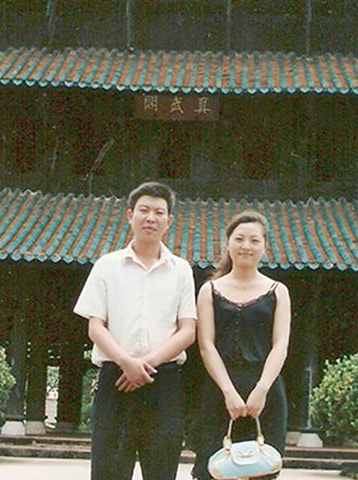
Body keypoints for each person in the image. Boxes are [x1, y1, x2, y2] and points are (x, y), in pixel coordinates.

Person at [73, 181, 197, 480]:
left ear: (169, 221)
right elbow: (95, 326)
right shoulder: (107, 266)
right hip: (115, 380)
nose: (150, 218)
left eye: (159, 212)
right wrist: (126, 363)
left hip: (163, 381)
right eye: (144, 210)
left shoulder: (181, 270)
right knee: (109, 472)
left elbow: (188, 330)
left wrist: (145, 365)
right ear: (130, 215)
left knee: (161, 471)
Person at [192, 211, 291, 480]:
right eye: (239, 239)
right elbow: (206, 346)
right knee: (213, 470)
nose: (246, 246)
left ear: (264, 246)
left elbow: (280, 345)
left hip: (265, 392)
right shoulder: (209, 290)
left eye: (254, 240)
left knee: (262, 470)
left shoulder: (278, 291)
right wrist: (228, 391)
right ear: (228, 243)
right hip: (220, 391)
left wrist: (262, 389)